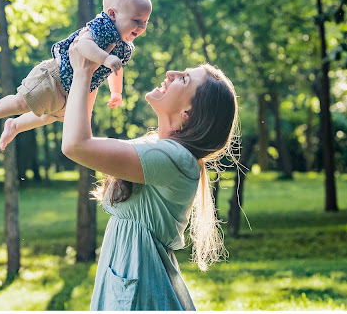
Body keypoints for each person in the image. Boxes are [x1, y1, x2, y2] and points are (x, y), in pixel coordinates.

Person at [61, 32, 238, 310]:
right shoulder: (159, 149)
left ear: (188, 113)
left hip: (139, 294)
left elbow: (75, 145)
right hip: (127, 285)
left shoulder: (173, 158)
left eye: (184, 79)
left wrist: (83, 73)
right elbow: (83, 138)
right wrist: (91, 73)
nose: (171, 73)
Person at [0, 0, 152, 151]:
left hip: (78, 90)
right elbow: (83, 44)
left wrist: (116, 92)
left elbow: (116, 68)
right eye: (136, 21)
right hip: (55, 75)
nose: (142, 27)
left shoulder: (126, 47)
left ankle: (15, 126)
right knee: (22, 102)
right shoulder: (103, 26)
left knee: (52, 116)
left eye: (145, 22)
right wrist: (105, 58)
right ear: (112, 14)